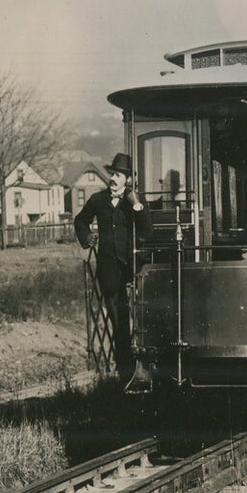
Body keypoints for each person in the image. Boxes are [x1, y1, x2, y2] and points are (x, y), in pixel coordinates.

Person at [74, 152, 152, 382]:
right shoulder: (98, 200)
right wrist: (87, 237)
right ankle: (125, 373)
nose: (113, 179)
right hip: (109, 269)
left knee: (141, 318)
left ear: (127, 179)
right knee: (118, 320)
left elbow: (147, 231)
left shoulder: (135, 201)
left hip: (133, 267)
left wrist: (136, 205)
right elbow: (80, 219)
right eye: (112, 174)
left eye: (118, 175)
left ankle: (144, 367)